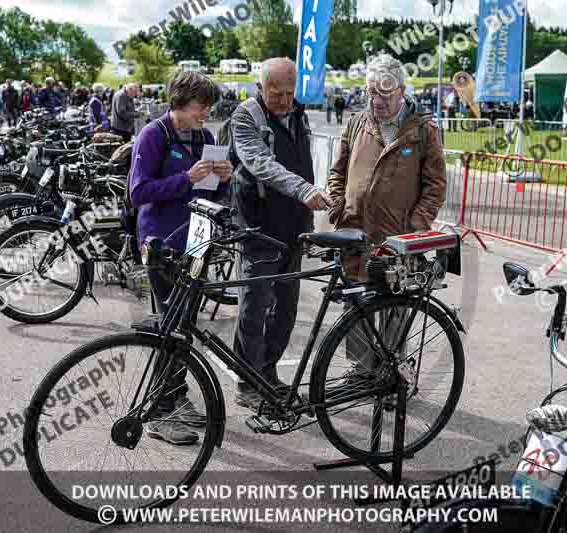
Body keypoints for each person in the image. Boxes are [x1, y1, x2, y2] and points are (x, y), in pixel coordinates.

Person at [129, 71, 232, 444]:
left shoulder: (205, 136)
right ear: (180, 101)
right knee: (170, 328)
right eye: (201, 105)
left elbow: (212, 194)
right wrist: (186, 178)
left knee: (183, 327)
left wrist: (224, 178)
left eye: (209, 105)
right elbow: (138, 192)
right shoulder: (154, 134)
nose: (207, 111)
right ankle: (159, 411)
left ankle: (176, 397)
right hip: (162, 243)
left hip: (196, 240)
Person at [327, 54, 447, 374]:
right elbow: (337, 172)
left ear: (402, 91)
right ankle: (360, 371)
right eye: (370, 93)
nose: (375, 100)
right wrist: (339, 205)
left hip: (399, 240)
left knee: (395, 308)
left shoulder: (424, 130)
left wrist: (415, 227)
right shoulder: (356, 122)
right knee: (356, 305)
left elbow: (435, 186)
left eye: (384, 94)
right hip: (355, 233)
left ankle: (390, 375)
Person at [229, 57, 332, 412]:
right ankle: (248, 383)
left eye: (290, 93)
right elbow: (260, 163)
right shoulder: (244, 116)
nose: (284, 101)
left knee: (285, 311)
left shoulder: (298, 114)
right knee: (254, 309)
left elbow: (306, 160)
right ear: (261, 87)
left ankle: (268, 375)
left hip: (294, 228)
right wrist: (304, 190)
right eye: (277, 93)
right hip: (257, 229)